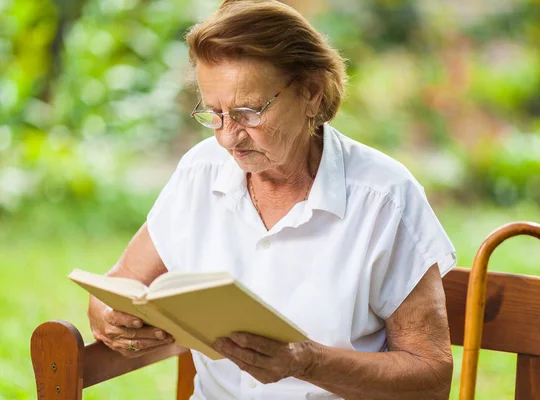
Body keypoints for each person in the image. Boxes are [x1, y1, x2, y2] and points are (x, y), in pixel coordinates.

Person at [87, 0, 457, 399]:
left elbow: (431, 378)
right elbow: (121, 282)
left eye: (248, 112)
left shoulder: (384, 197)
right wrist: (109, 316)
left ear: (312, 94)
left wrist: (307, 361)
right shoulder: (200, 171)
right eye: (215, 113)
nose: (228, 137)